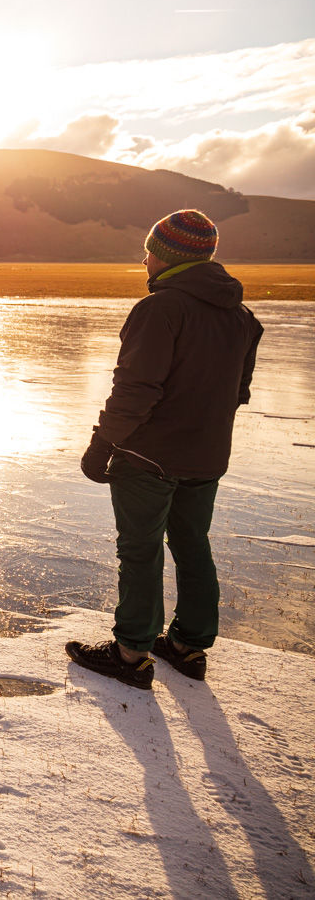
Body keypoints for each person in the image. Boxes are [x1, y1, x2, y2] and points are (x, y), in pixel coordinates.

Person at [65, 209, 263, 690]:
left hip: (149, 458)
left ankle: (132, 652)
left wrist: (101, 443)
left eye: (150, 251)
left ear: (168, 256)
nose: (145, 260)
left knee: (140, 549)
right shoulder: (241, 317)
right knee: (193, 546)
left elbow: (135, 388)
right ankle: (188, 646)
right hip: (207, 457)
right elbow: (238, 391)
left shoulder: (161, 310)